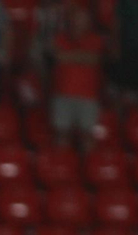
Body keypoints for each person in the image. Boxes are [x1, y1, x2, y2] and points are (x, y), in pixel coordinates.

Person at [51, 6, 104, 151]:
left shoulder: (95, 39)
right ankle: (62, 168)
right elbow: (58, 57)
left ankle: (89, 170)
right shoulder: (60, 38)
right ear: (71, 20)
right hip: (63, 94)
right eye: (77, 18)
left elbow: (94, 59)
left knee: (87, 136)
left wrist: (69, 56)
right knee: (62, 134)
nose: (80, 22)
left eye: (84, 19)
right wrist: (81, 57)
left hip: (88, 96)